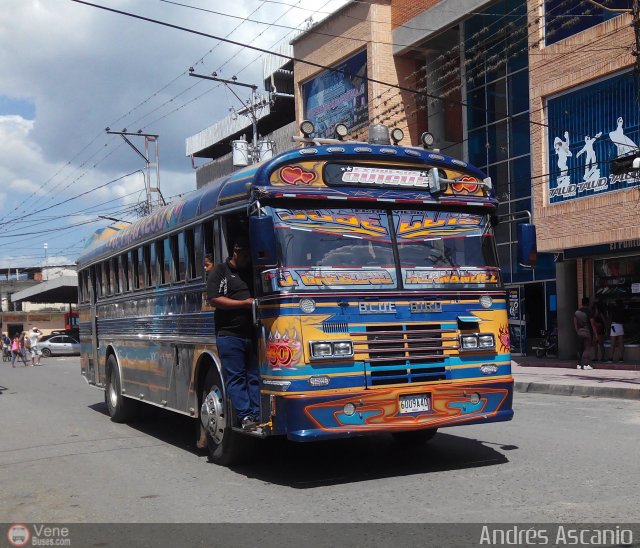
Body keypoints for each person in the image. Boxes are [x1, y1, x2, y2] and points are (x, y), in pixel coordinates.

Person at [205, 240, 261, 431]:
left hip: (251, 333)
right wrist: (244, 304)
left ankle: (257, 414)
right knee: (236, 377)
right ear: (235, 252)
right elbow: (214, 299)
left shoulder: (250, 271)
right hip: (229, 335)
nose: (248, 258)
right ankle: (245, 416)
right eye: (245, 254)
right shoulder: (220, 271)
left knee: (254, 376)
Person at [574, 297, 594, 370]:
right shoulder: (589, 311)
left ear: (582, 303)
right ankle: (586, 364)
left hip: (579, 332)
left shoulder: (576, 312)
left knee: (579, 349)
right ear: (588, 303)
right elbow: (592, 323)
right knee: (587, 348)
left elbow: (575, 324)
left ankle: (578, 364)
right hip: (587, 332)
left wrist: (578, 332)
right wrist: (595, 333)